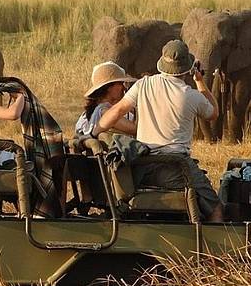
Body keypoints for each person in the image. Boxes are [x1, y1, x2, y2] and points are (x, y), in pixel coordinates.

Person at [92, 40, 224, 222]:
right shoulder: (191, 96)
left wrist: (93, 133)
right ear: (187, 67)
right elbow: (214, 113)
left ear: (162, 63)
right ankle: (212, 250)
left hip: (142, 166)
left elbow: (117, 111)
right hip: (175, 167)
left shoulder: (143, 84)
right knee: (215, 206)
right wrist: (200, 82)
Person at [74, 61, 137, 139]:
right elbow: (135, 129)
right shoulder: (105, 112)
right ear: (109, 88)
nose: (124, 88)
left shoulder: (93, 111)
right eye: (121, 83)